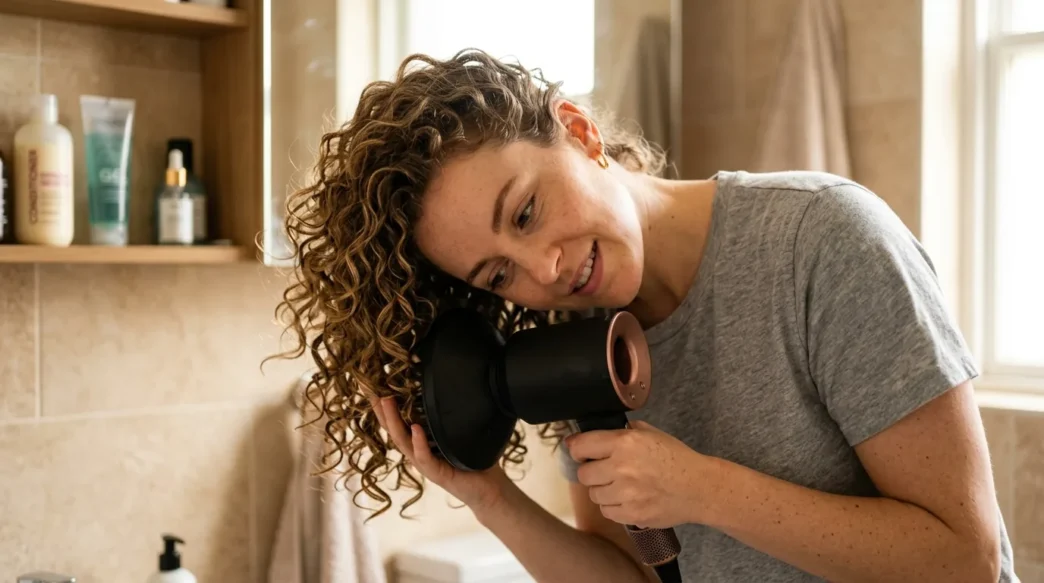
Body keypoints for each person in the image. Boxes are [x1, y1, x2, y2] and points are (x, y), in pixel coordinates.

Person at [272, 49, 1016, 582]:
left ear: (579, 131)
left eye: (527, 211)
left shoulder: (822, 240)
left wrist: (702, 487)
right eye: (499, 272)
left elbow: (966, 560)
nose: (546, 271)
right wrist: (489, 497)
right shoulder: (573, 349)